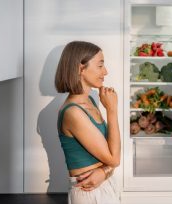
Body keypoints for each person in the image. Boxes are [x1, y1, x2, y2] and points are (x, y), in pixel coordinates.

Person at [55, 41, 121, 204]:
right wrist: (112, 110)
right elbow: (114, 159)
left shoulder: (90, 100)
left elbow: (112, 153)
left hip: (105, 185)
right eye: (100, 65)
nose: (105, 72)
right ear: (80, 68)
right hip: (89, 192)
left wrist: (105, 172)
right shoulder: (73, 113)